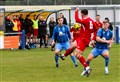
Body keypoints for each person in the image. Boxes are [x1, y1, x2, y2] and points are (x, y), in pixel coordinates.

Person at [60, 7, 98, 77]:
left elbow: (77, 19)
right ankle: (64, 55)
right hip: (81, 38)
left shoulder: (85, 20)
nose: (80, 16)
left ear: (82, 14)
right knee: (72, 46)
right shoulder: (91, 21)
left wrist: (76, 11)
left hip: (84, 39)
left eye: (81, 14)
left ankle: (87, 67)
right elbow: (95, 30)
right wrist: (93, 38)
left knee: (77, 55)